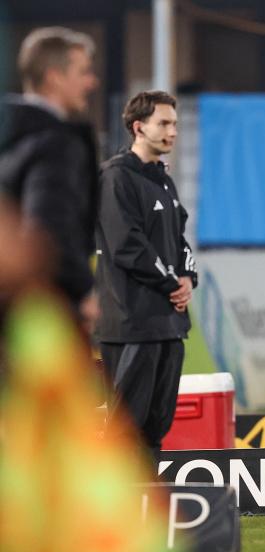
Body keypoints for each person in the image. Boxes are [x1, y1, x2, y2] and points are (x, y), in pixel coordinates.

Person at [94, 91, 197, 456]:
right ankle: (111, 495)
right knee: (125, 429)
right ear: (138, 127)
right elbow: (127, 245)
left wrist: (187, 278)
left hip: (168, 324)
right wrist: (171, 283)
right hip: (131, 324)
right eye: (164, 123)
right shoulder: (116, 177)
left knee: (155, 430)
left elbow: (179, 237)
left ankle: (147, 493)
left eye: (175, 124)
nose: (173, 132)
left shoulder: (163, 180)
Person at [0, 27, 100, 330]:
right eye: (83, 72)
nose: (92, 82)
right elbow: (49, 229)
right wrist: (81, 292)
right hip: (42, 311)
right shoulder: (56, 143)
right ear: (54, 77)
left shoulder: (12, 136)